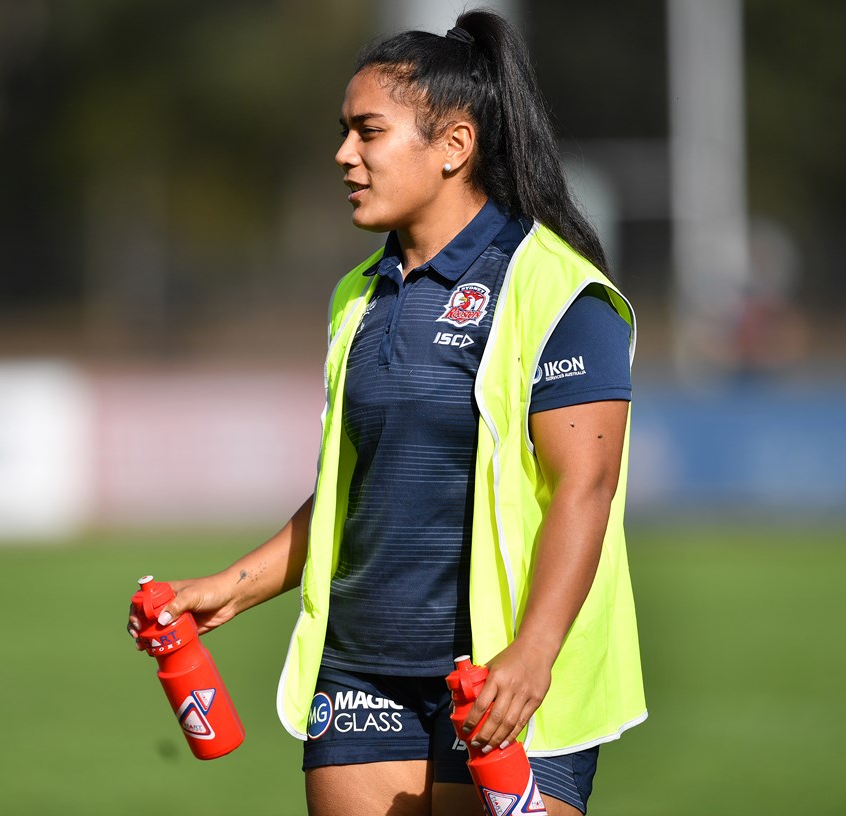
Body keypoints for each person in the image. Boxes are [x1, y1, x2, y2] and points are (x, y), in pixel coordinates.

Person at [128, 9, 645, 815]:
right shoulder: (355, 297)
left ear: (454, 147)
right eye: (344, 132)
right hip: (361, 671)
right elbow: (350, 492)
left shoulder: (558, 292)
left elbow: (586, 486)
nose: (344, 155)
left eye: (368, 132)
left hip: (502, 677)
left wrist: (533, 656)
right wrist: (229, 587)